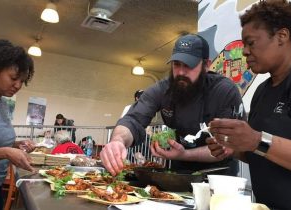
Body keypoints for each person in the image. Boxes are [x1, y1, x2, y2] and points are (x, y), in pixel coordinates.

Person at [206, 1, 291, 209]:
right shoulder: (262, 92)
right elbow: (263, 153)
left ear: (282, 36)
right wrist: (233, 148)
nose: (244, 52)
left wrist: (256, 140)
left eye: (251, 43)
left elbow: (259, 143)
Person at [100, 34, 244, 176]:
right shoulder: (163, 89)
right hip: (180, 173)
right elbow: (133, 120)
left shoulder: (224, 91)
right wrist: (117, 141)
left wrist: (183, 154)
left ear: (206, 65)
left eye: (189, 65)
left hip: (218, 176)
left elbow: (227, 147)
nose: (181, 72)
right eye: (176, 65)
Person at [0, 39, 36, 210]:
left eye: (22, 81)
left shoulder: (2, 103)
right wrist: (6, 152)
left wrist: (16, 145)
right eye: (13, 78)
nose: (18, 85)